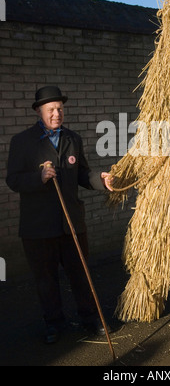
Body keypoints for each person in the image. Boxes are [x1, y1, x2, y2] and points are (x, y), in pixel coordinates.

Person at [6, 86, 113, 344]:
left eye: (60, 109)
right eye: (51, 109)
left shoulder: (72, 139)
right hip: (38, 227)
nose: (57, 114)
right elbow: (13, 180)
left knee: (81, 274)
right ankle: (54, 323)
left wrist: (100, 180)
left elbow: (82, 174)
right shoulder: (22, 141)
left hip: (71, 224)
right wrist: (38, 177)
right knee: (46, 279)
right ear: (39, 111)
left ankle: (89, 318)